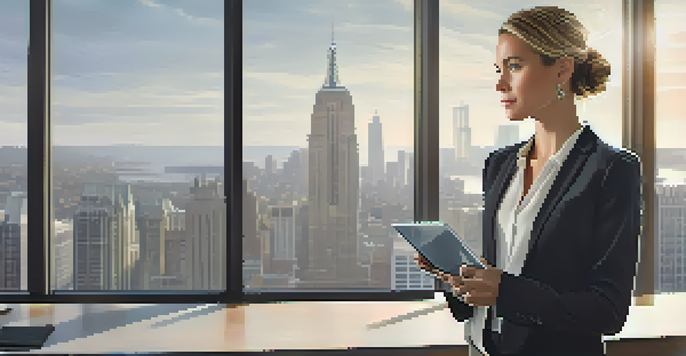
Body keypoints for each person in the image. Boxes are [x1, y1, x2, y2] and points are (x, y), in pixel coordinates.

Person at [416, 5, 641, 356]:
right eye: (498, 69)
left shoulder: (611, 169)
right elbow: (493, 285)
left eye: (514, 66)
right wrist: (457, 279)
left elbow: (608, 310)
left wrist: (505, 291)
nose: (499, 83)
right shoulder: (499, 165)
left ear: (562, 69)